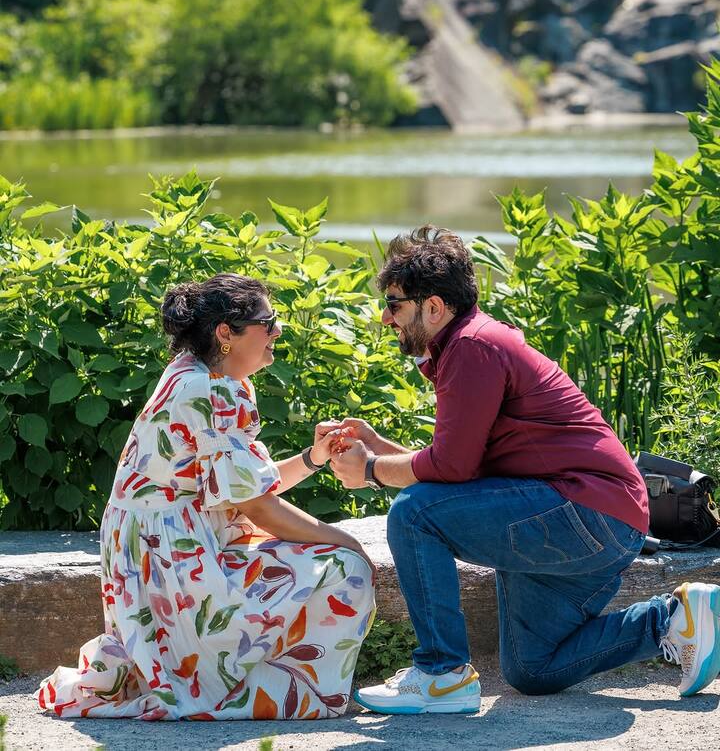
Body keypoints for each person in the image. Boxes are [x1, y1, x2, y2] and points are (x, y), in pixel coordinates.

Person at [329, 226, 720, 715]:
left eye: (393, 303)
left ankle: (440, 674)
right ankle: (675, 620)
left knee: (414, 514)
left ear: (433, 307)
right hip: (596, 521)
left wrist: (369, 470)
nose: (386, 317)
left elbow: (448, 470)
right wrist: (379, 449)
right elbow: (458, 466)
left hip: (586, 515)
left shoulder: (472, 348)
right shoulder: (469, 344)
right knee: (533, 669)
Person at [36, 274, 375, 720]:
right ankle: (280, 692)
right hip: (178, 561)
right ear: (225, 333)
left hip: (149, 554)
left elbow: (246, 487)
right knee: (347, 570)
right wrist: (344, 539)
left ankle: (213, 677)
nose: (277, 331)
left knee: (320, 556)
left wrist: (312, 458)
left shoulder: (190, 373)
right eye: (268, 322)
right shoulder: (215, 391)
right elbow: (257, 505)